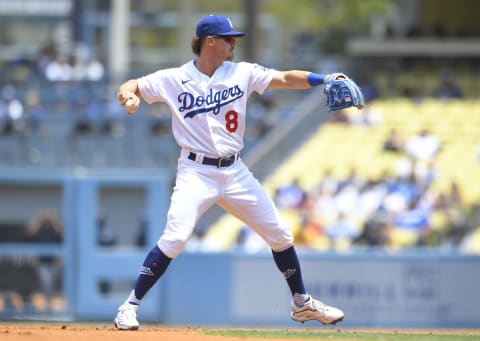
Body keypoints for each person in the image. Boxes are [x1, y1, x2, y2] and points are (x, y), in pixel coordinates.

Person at [114, 14, 361, 330]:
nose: (234, 43)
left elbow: (283, 79)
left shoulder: (242, 73)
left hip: (234, 170)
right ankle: (129, 307)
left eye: (234, 38)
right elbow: (132, 83)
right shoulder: (174, 78)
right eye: (228, 38)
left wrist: (322, 79)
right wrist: (129, 94)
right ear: (210, 42)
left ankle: (302, 303)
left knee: (281, 235)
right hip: (195, 171)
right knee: (174, 239)